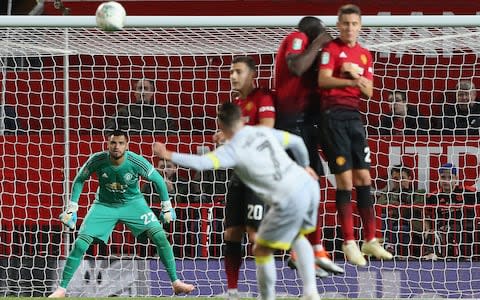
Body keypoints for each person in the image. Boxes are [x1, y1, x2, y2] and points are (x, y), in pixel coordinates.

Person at [153, 102, 322, 300]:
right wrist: (306, 165)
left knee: (261, 248)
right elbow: (297, 142)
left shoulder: (231, 151)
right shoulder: (261, 131)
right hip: (309, 187)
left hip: (288, 199)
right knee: (298, 237)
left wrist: (167, 154)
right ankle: (311, 292)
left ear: (221, 126)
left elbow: (201, 163)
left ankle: (273, 297)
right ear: (242, 119)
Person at [48, 130, 194, 298]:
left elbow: (158, 180)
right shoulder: (97, 160)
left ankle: (176, 283)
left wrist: (166, 206)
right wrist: (72, 207)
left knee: (160, 236)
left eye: (120, 143)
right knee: (80, 244)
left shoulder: (135, 161)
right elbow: (80, 179)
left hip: (133, 204)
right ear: (107, 144)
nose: (116, 146)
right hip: (104, 205)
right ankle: (62, 289)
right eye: (113, 143)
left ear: (126, 145)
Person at [317, 4, 392, 266]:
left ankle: (370, 239)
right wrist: (351, 78)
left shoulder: (364, 54)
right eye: (345, 23)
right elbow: (324, 80)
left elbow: (370, 92)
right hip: (332, 117)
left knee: (365, 177)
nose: (349, 28)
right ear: (338, 25)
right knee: (345, 181)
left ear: (360, 26)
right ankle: (349, 242)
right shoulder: (330, 50)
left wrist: (356, 75)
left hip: (353, 118)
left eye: (354, 24)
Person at [274, 16, 344, 276]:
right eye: (323, 35)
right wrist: (320, 43)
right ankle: (298, 249)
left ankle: (309, 248)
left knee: (311, 187)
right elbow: (295, 66)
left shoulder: (309, 48)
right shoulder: (298, 38)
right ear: (315, 33)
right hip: (292, 126)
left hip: (303, 126)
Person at [213, 56, 277, 298]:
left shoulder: (264, 98)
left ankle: (265, 292)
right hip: (239, 176)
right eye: (231, 71)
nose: (232, 76)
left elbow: (267, 131)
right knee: (231, 234)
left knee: (255, 237)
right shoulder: (236, 104)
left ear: (251, 75)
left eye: (237, 71)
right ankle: (232, 291)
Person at [423, 163, 479, 259]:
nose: (446, 180)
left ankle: (466, 258)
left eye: (449, 177)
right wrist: (427, 230)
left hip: (467, 227)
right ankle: (434, 257)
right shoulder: (432, 197)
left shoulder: (469, 192)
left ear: (456, 178)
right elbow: (426, 217)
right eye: (443, 177)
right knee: (436, 233)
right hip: (444, 228)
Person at [376, 165, 426, 257]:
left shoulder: (419, 192)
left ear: (410, 179)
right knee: (383, 218)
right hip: (391, 225)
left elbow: (418, 205)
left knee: (400, 229)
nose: (399, 181)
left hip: (410, 225)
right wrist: (394, 204)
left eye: (402, 178)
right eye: (396, 178)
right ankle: (388, 247)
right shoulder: (387, 194)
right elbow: (379, 205)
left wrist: (398, 206)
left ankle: (402, 254)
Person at [104, 79, 178, 136]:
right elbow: (109, 132)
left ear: (152, 92)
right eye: (140, 88)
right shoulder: (123, 112)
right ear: (135, 93)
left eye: (145, 88)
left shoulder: (163, 114)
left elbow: (172, 135)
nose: (142, 92)